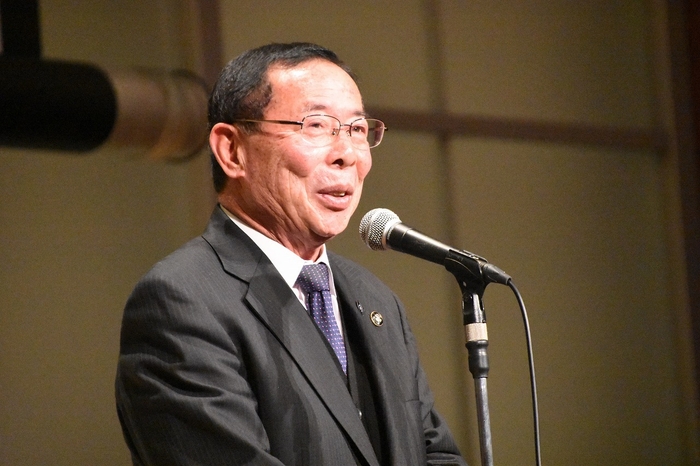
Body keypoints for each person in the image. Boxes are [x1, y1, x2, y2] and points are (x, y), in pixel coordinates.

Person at [115, 42, 467, 466]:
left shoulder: (374, 300)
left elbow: (434, 453)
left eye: (357, 130)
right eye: (317, 125)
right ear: (231, 150)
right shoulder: (181, 300)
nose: (347, 155)